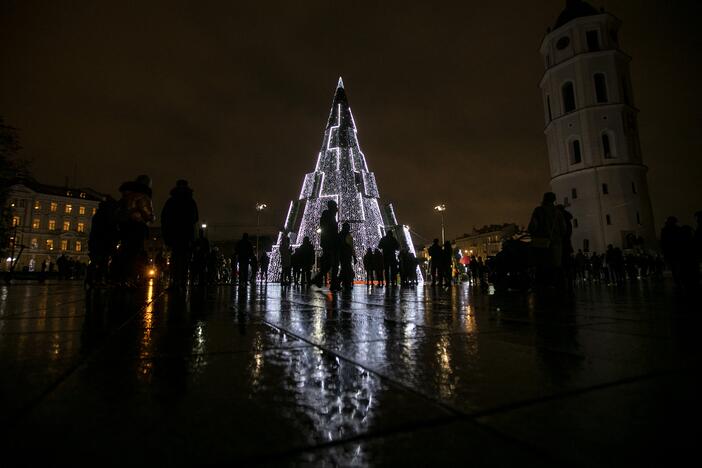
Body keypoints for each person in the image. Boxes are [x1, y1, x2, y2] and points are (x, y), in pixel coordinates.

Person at [114, 175, 154, 287]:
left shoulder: (126, 196)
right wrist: (151, 217)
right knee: (134, 254)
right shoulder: (143, 196)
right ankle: (130, 279)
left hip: (124, 227)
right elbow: (147, 212)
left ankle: (120, 278)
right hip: (137, 227)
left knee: (125, 252)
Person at [160, 180, 199, 290]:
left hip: (174, 234)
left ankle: (175, 281)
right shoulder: (191, 201)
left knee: (176, 258)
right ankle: (182, 281)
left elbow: (165, 219)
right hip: (186, 234)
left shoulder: (171, 201)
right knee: (184, 259)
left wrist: (167, 234)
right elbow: (195, 218)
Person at [528, 192, 566, 290]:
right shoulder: (558, 213)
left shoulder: (538, 211)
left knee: (541, 268)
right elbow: (563, 229)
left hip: (540, 244)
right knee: (555, 267)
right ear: (553, 200)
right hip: (556, 245)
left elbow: (532, 227)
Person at [87, 196, 119, 287]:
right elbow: (112, 230)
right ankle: (99, 279)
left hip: (97, 241)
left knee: (97, 261)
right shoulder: (109, 216)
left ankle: (93, 279)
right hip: (105, 242)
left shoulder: (98, 215)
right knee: (103, 261)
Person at [311, 200, 340, 290]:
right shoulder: (329, 216)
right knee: (333, 264)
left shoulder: (328, 216)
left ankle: (318, 279)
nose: (336, 208)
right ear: (332, 207)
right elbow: (331, 231)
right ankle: (324, 281)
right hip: (330, 244)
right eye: (335, 206)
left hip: (328, 243)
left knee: (329, 264)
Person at [339, 222, 357, 289]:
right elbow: (351, 246)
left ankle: (344, 283)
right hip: (346, 255)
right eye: (348, 227)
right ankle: (344, 283)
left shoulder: (340, 235)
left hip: (342, 255)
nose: (349, 228)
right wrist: (354, 257)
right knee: (347, 269)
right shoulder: (347, 236)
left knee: (344, 269)